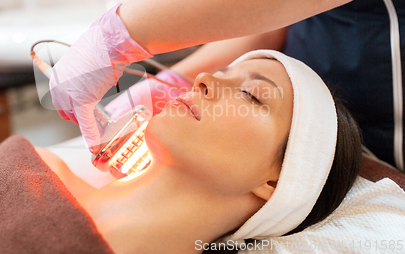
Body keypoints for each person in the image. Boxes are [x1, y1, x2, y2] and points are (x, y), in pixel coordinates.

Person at [48, 0, 405, 170]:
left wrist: (120, 36)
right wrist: (164, 86)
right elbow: (275, 17)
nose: (206, 79)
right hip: (315, 131)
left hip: (367, 146)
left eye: (251, 95)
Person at [44, 50, 363, 253]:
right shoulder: (46, 169)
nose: (202, 79)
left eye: (251, 95)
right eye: (220, 73)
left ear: (278, 183)